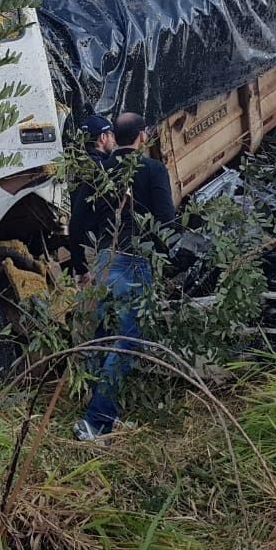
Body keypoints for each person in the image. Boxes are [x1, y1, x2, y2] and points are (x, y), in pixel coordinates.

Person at [73, 112, 175, 442]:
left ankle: (98, 409)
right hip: (135, 262)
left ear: (115, 136)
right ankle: (96, 420)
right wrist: (166, 259)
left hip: (104, 260)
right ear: (142, 137)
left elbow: (77, 223)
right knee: (128, 342)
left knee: (103, 336)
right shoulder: (153, 169)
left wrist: (81, 266)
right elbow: (166, 221)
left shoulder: (99, 170)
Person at [66, 114, 116, 280]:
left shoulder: (76, 168)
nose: (113, 140)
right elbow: (77, 220)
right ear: (103, 137)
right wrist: (81, 267)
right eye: (111, 135)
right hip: (96, 247)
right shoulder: (99, 170)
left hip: (85, 246)